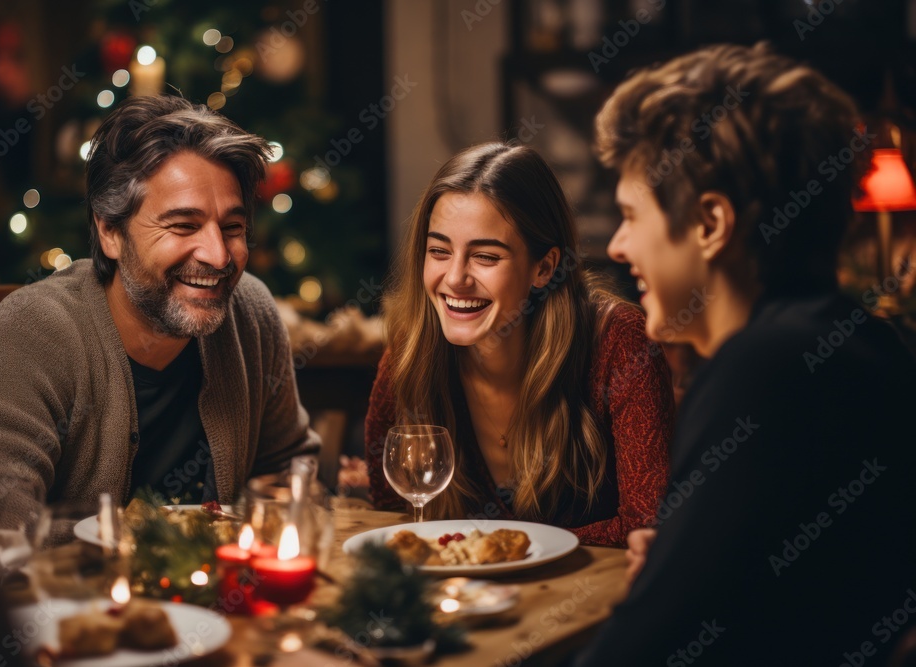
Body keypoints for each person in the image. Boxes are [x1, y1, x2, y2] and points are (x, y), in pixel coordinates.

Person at [574, 43, 916, 665]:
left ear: (710, 224)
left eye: (630, 215)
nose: (619, 246)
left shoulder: (764, 369)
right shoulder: (860, 342)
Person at [0, 95, 319, 528]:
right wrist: (135, 550)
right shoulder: (34, 331)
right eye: (183, 225)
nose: (219, 255)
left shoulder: (250, 313)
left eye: (233, 228)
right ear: (110, 231)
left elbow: (292, 474)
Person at [365, 142, 674, 546]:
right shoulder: (412, 349)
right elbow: (394, 506)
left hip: (593, 601)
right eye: (439, 251)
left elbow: (649, 526)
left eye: (486, 257)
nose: (455, 278)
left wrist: (500, 548)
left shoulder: (618, 342)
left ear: (544, 268)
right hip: (465, 602)